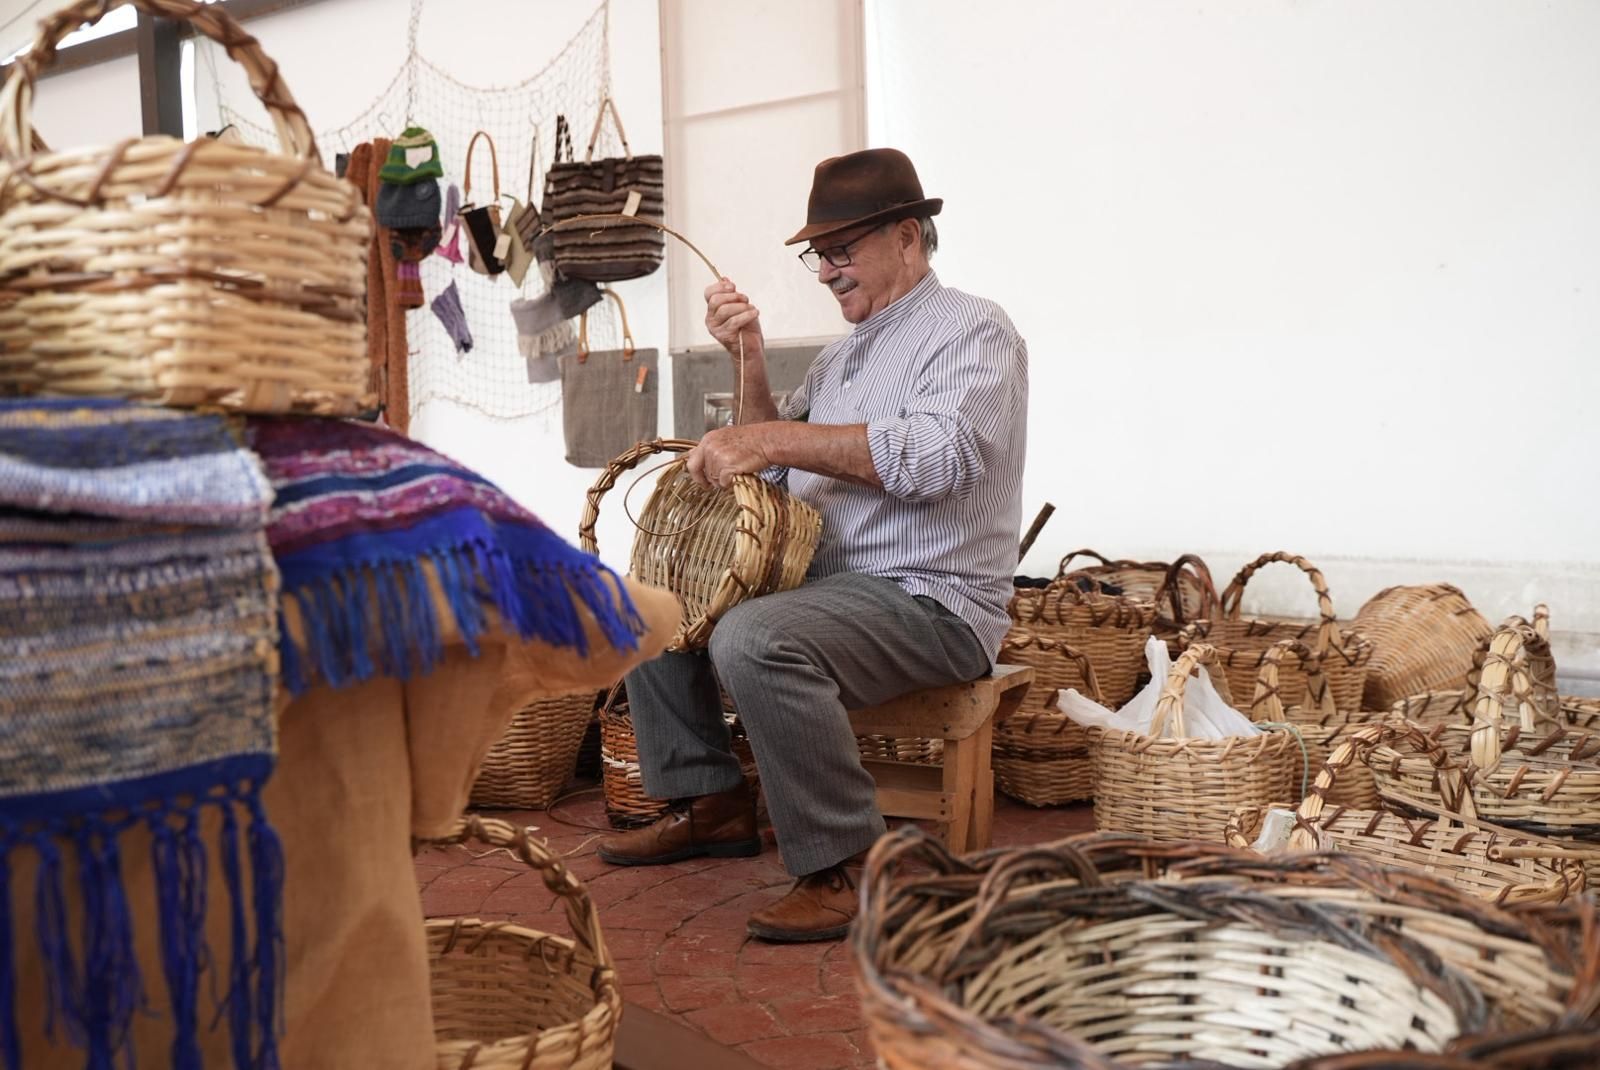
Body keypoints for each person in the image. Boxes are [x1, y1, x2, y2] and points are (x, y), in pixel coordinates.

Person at [596, 147, 1028, 942]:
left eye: (841, 251)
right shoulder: (841, 357)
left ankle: (849, 867)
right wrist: (750, 356)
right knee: (650, 604)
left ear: (908, 236)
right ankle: (713, 802)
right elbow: (780, 474)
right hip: (831, 591)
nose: (826, 271)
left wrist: (770, 440)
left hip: (930, 600)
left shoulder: (973, 330)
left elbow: (939, 460)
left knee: (753, 637)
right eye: (817, 255)